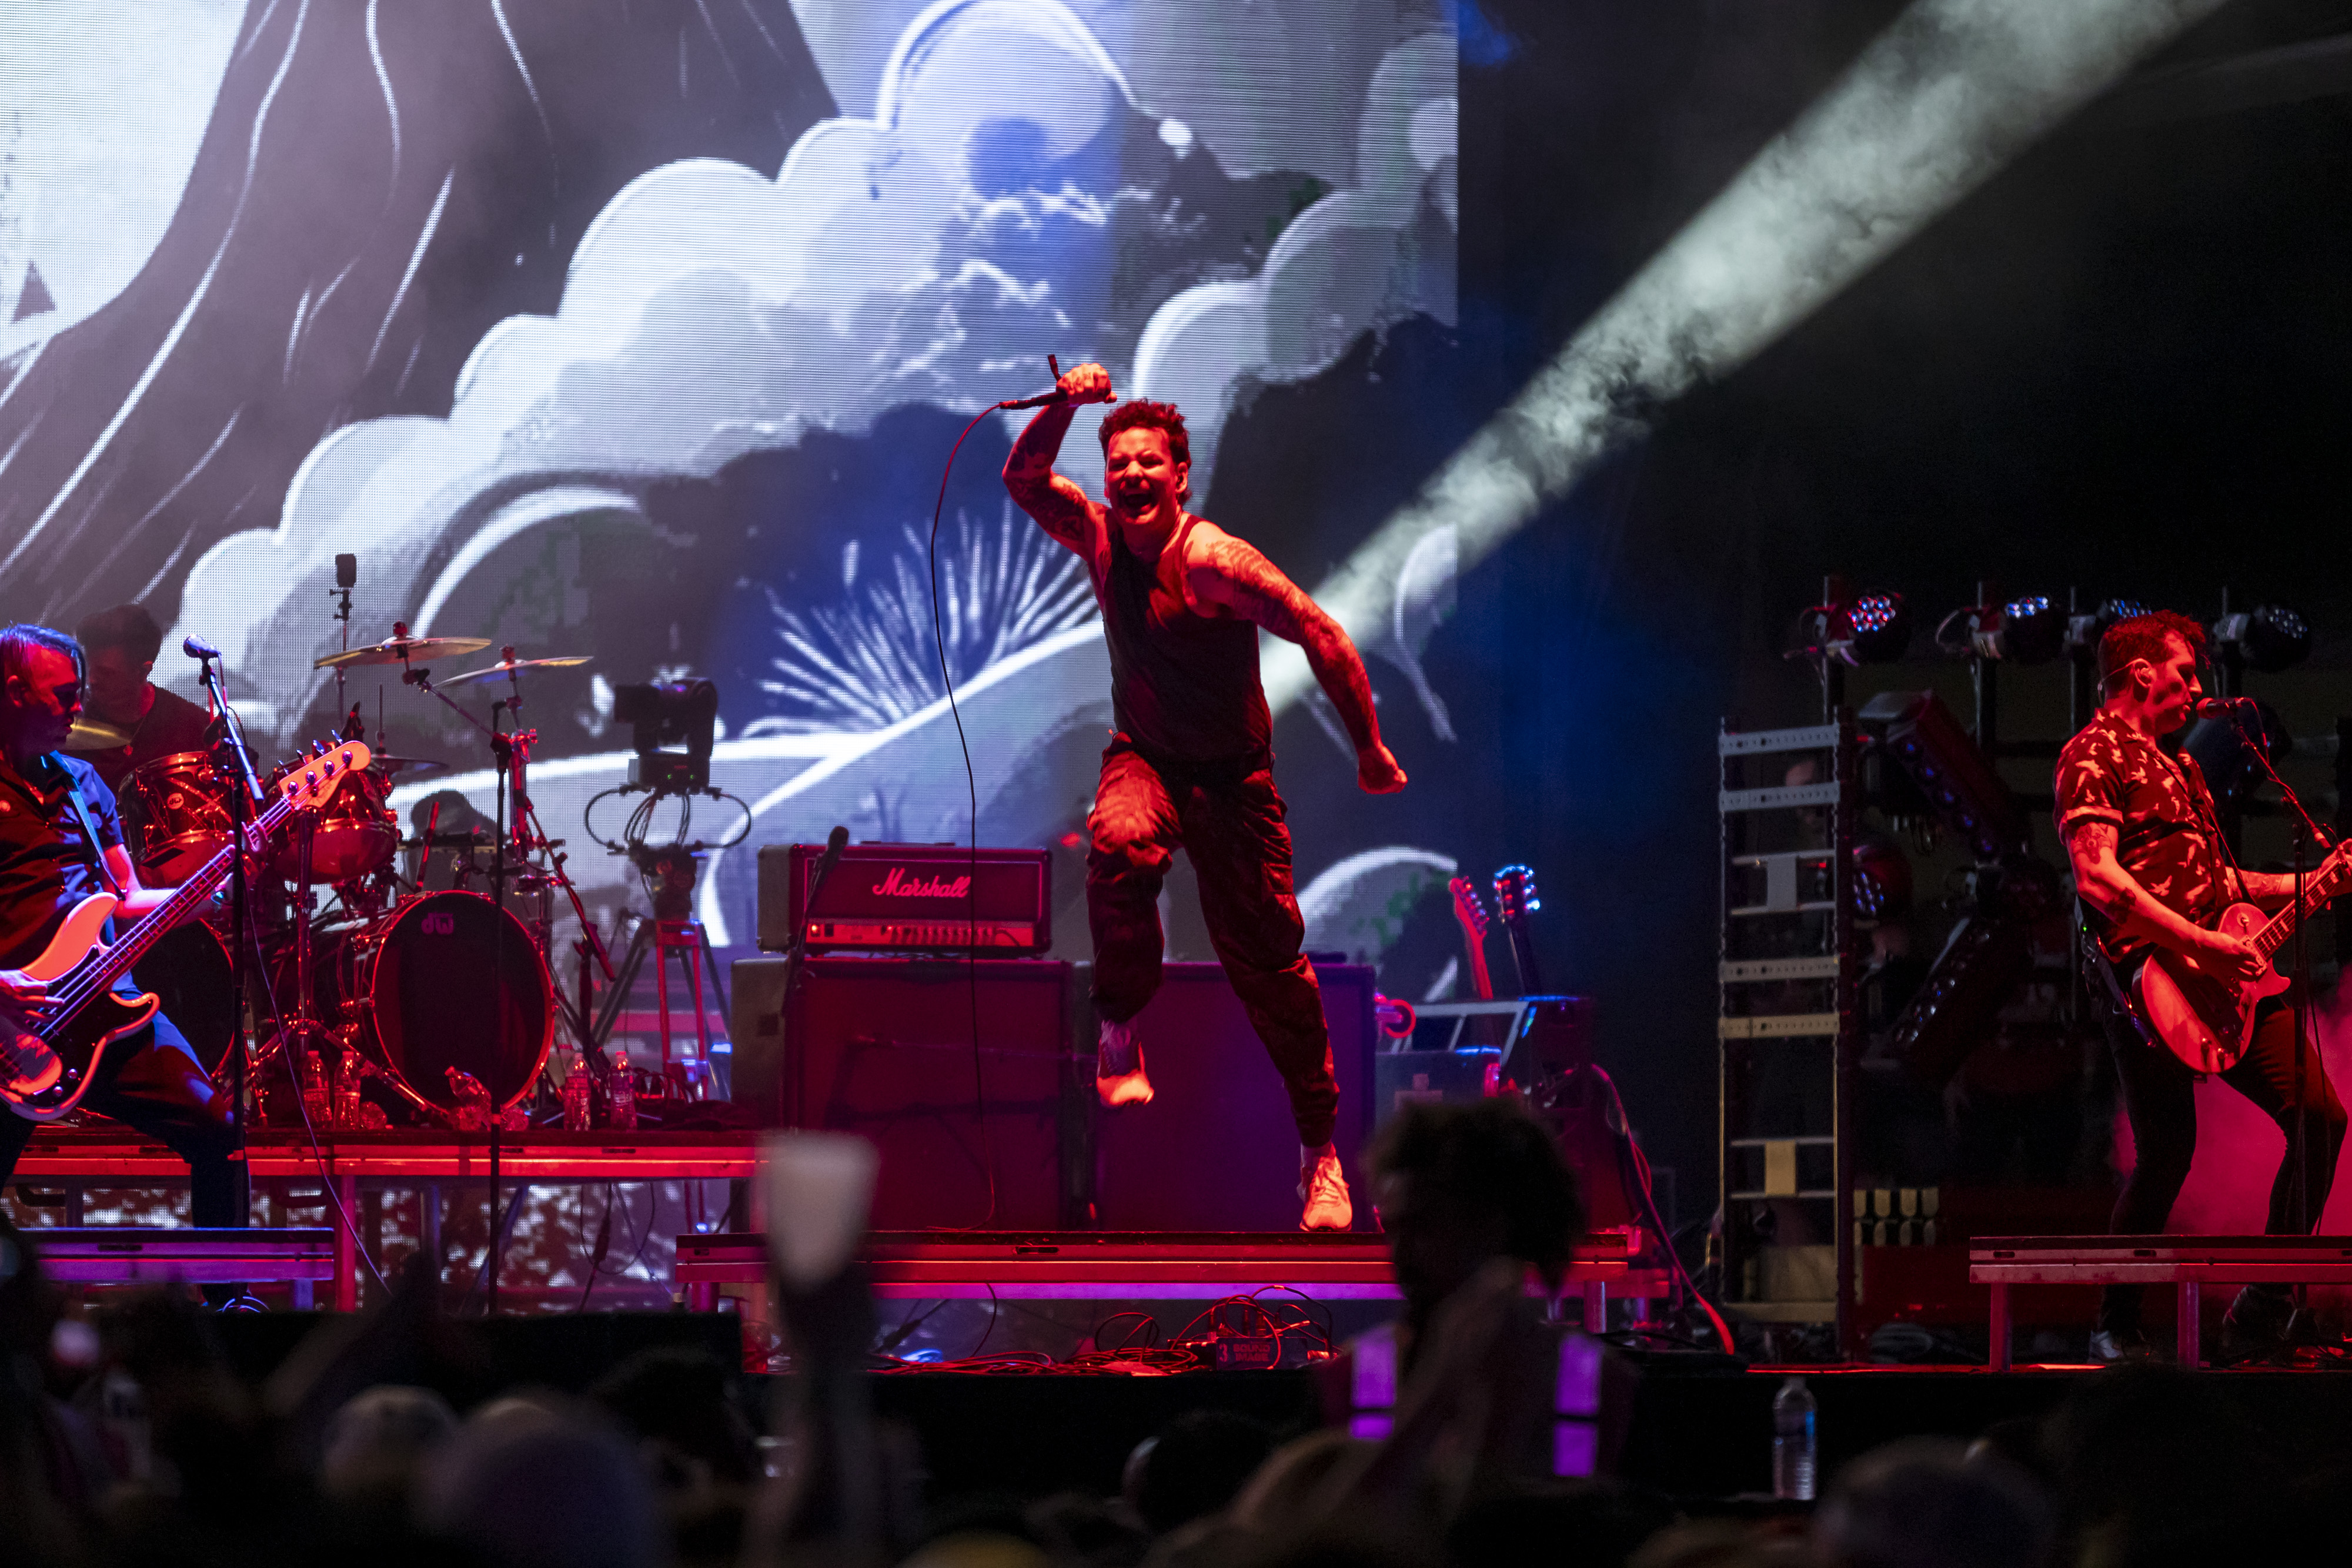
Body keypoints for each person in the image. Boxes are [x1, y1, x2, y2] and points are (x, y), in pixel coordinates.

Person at [1002, 360, 1407, 1231]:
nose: (1133, 476)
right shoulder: (1101, 535)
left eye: (1150, 463)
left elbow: (1320, 631)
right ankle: (1118, 1025)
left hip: (1232, 782)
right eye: (1120, 466)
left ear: (1180, 474)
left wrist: (1369, 747)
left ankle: (1320, 1155)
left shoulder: (1213, 562)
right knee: (1115, 843)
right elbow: (1024, 479)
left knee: (1273, 973)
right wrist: (1066, 405)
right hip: (1145, 757)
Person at [2055, 610, 2348, 1362]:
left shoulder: (2182, 766)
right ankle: (2114, 1323)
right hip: (2147, 978)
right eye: (2184, 671)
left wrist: (2312, 882)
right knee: (2166, 1152)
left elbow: (2221, 880)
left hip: (2223, 970)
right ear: (2140, 673)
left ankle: (2264, 1300)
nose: (2196, 686)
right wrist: (2202, 948)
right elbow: (2096, 875)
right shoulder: (2091, 754)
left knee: (2319, 1117)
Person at [0, 625, 245, 1239]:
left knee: (221, 1131)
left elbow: (126, 896)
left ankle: (229, 1302)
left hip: (109, 1008)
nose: (78, 707)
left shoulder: (84, 784)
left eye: (80, 693)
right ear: (13, 692)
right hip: (12, 1029)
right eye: (62, 695)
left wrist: (203, 895)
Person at [69, 603, 218, 793]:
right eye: (87, 669)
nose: (91, 680)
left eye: (106, 673)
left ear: (143, 671)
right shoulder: (68, 720)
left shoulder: (193, 726)